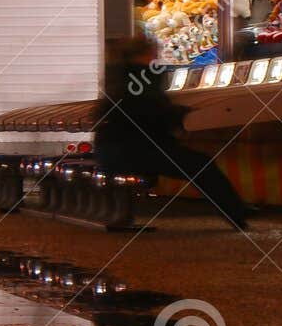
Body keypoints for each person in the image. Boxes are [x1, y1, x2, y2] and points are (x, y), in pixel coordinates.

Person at [93, 37, 251, 230]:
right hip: (134, 150)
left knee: (195, 162)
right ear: (148, 54)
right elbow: (151, 113)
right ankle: (237, 213)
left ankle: (236, 210)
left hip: (112, 148)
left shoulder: (119, 77)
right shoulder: (143, 76)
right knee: (201, 164)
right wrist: (182, 114)